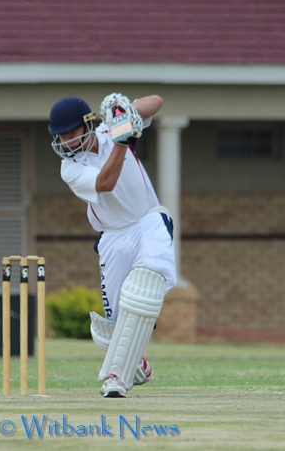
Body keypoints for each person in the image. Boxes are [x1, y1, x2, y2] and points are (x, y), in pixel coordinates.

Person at [48, 93, 176, 398]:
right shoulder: (70, 168)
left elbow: (156, 102)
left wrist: (125, 113)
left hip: (148, 220)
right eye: (61, 135)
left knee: (144, 286)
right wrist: (122, 141)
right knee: (114, 327)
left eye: (71, 132)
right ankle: (137, 363)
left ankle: (115, 378)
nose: (66, 140)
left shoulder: (110, 130)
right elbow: (105, 183)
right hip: (113, 236)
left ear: (88, 124)